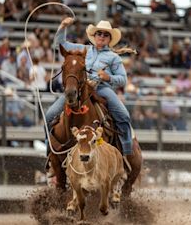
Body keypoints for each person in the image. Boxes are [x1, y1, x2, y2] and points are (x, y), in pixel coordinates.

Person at [46, 18, 134, 167]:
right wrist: (62, 27)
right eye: (99, 33)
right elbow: (58, 45)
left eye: (105, 35)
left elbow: (123, 79)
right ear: (94, 36)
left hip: (102, 89)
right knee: (49, 115)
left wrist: (108, 77)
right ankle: (50, 151)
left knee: (123, 115)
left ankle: (126, 152)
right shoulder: (82, 50)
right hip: (79, 89)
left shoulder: (113, 57)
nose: (101, 36)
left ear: (109, 39)